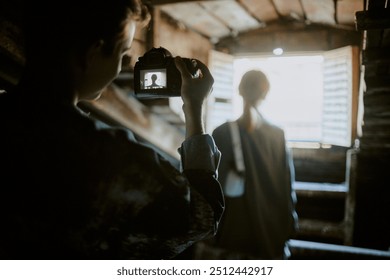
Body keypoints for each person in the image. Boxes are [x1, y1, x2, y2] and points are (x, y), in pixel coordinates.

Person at [0, 0, 224, 260]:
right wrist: (194, 109)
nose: (120, 67)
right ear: (93, 52)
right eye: (122, 53)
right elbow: (202, 215)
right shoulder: (103, 155)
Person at [207, 69, 298, 259]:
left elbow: (211, 189)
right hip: (270, 230)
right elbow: (286, 186)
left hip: (233, 233)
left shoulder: (221, 133)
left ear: (239, 90)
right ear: (265, 93)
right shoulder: (278, 135)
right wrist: (289, 226)